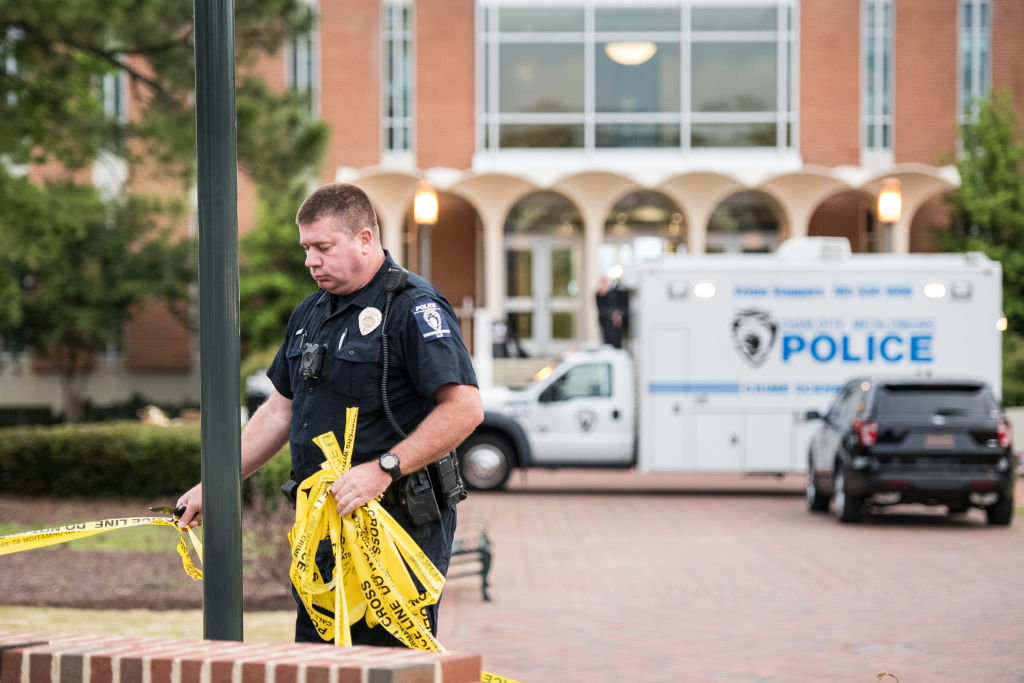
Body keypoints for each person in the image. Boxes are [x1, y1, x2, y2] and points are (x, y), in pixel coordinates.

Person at [175, 182, 483, 646]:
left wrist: (383, 469)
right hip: (324, 529)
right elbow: (278, 411)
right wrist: (215, 484)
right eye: (306, 248)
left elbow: (464, 409)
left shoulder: (414, 307)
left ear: (364, 238)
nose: (310, 261)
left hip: (396, 528)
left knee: (386, 670)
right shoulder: (309, 313)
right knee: (318, 665)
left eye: (322, 247)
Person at [595, 275, 629, 349]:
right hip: (606, 323)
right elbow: (601, 310)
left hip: (616, 325)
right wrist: (612, 314)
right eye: (602, 282)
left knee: (616, 342)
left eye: (606, 282)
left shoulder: (614, 293)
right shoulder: (598, 295)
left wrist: (618, 315)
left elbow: (621, 304)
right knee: (607, 342)